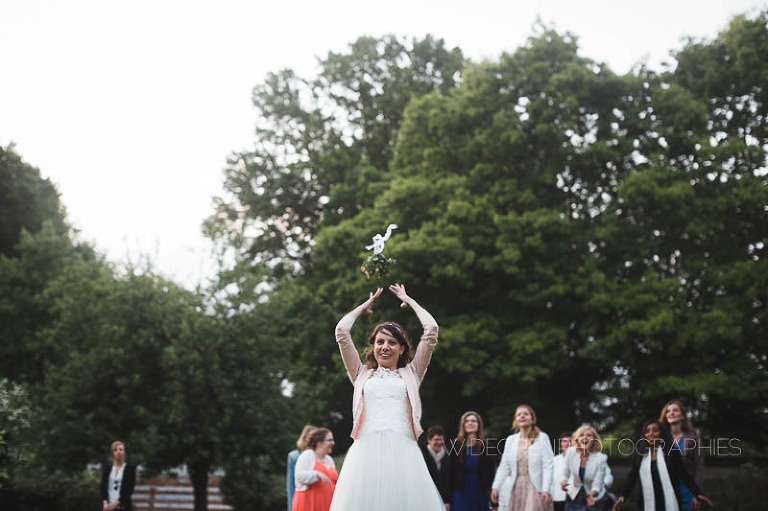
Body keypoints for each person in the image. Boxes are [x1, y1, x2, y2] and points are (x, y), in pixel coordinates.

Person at [329, 284, 444, 511]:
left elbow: (431, 329)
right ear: (372, 347)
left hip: (403, 450)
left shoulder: (412, 374)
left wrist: (409, 301)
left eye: (392, 342)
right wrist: (362, 308)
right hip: (366, 449)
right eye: (380, 342)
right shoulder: (361, 374)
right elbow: (342, 332)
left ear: (402, 348)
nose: (385, 347)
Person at [613, 420, 712, 511]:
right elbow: (632, 475)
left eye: (655, 430)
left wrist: (697, 493)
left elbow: (684, 474)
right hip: (646, 504)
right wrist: (623, 496)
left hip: (669, 503)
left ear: (661, 434)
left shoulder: (671, 452)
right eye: (647, 431)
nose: (650, 434)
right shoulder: (640, 454)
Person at [491, 404, 554, 511]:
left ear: (532, 419)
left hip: (536, 487)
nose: (522, 416)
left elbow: (548, 466)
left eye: (526, 414)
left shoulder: (542, 437)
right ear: (516, 420)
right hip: (516, 488)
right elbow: (504, 466)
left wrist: (546, 489)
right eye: (519, 415)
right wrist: (495, 487)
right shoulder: (511, 440)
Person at [446, 411, 497, 511]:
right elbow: (449, 474)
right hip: (460, 492)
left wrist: (494, 502)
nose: (470, 423)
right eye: (467, 421)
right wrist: (447, 500)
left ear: (478, 424)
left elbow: (492, 473)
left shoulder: (486, 446)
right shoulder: (456, 446)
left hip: (481, 493)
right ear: (463, 425)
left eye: (473, 421)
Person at [659, 401, 704, 511]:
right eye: (668, 411)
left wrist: (697, 494)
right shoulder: (660, 438)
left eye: (675, 410)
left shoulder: (693, 437)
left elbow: (698, 467)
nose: (671, 413)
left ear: (682, 415)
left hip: (687, 491)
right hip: (666, 491)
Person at [558, 425, 611, 511]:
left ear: (594, 440)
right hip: (573, 495)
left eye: (588, 435)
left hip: (593, 497)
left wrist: (592, 494)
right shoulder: (571, 452)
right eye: (581, 435)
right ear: (577, 439)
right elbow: (565, 471)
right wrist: (563, 481)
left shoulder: (601, 458)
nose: (585, 437)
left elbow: (598, 482)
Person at [292, 428, 338, 511]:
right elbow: (299, 476)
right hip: (309, 504)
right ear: (319, 443)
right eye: (330, 440)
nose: (333, 443)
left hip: (327, 504)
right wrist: (317, 474)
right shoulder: (308, 455)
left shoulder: (329, 459)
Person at [100, 441, 136, 511]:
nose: (118, 452)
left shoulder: (130, 469)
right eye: (115, 450)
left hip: (123, 507)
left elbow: (128, 490)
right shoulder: (107, 468)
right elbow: (102, 487)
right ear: (112, 453)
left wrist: (114, 505)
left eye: (120, 449)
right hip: (108, 506)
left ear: (124, 452)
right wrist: (105, 503)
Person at [288, 425, 317, 511]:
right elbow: (290, 484)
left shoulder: (318, 456)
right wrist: (291, 507)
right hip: (301, 497)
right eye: (311, 436)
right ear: (304, 438)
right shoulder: (294, 456)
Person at [421, 425, 451, 506]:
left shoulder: (448, 457)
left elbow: (448, 481)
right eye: (436, 440)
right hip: (424, 497)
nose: (439, 442)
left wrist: (447, 501)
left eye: (441, 440)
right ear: (429, 440)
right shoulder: (421, 455)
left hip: (442, 499)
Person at [552, 432, 573, 511]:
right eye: (564, 441)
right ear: (561, 443)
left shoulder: (580, 460)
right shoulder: (554, 460)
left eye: (570, 441)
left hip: (574, 499)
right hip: (557, 498)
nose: (568, 444)